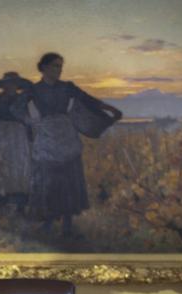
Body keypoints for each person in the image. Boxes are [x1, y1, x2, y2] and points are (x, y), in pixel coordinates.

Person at [18, 52, 122, 236]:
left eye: (60, 66)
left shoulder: (67, 87)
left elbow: (88, 100)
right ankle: (48, 222)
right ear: (44, 68)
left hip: (66, 133)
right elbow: (16, 107)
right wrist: (28, 120)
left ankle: (67, 224)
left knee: (68, 178)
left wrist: (109, 108)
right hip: (47, 134)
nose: (59, 70)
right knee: (48, 178)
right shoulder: (34, 89)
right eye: (55, 66)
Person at [0, 72, 32, 210]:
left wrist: (30, 138)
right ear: (4, 85)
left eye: (14, 84)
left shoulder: (21, 100)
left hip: (18, 136)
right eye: (8, 83)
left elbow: (27, 119)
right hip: (0, 135)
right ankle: (1, 200)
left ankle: (19, 200)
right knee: (0, 163)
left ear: (17, 86)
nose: (11, 86)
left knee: (19, 165)